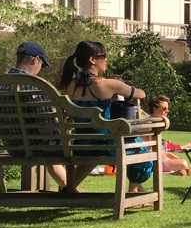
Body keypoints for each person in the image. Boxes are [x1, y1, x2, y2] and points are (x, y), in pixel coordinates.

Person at [56, 40, 151, 193]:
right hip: (107, 145)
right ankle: (134, 188)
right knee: (143, 149)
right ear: (92, 60)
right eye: (103, 56)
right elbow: (141, 94)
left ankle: (69, 188)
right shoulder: (106, 84)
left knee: (92, 154)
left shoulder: (69, 85)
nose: (106, 59)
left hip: (81, 145)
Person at [0, 40, 67, 190]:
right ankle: (70, 188)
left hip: (13, 148)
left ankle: (67, 187)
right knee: (69, 143)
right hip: (37, 148)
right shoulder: (34, 86)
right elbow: (46, 128)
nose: (40, 69)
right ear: (35, 60)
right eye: (42, 64)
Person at [145, 94, 191, 175]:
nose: (167, 111)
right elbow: (150, 150)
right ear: (154, 109)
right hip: (151, 160)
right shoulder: (149, 125)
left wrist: (169, 156)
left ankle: (178, 171)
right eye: (164, 109)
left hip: (157, 156)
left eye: (168, 108)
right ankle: (177, 171)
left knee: (180, 161)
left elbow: (157, 150)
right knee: (184, 164)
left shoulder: (154, 122)